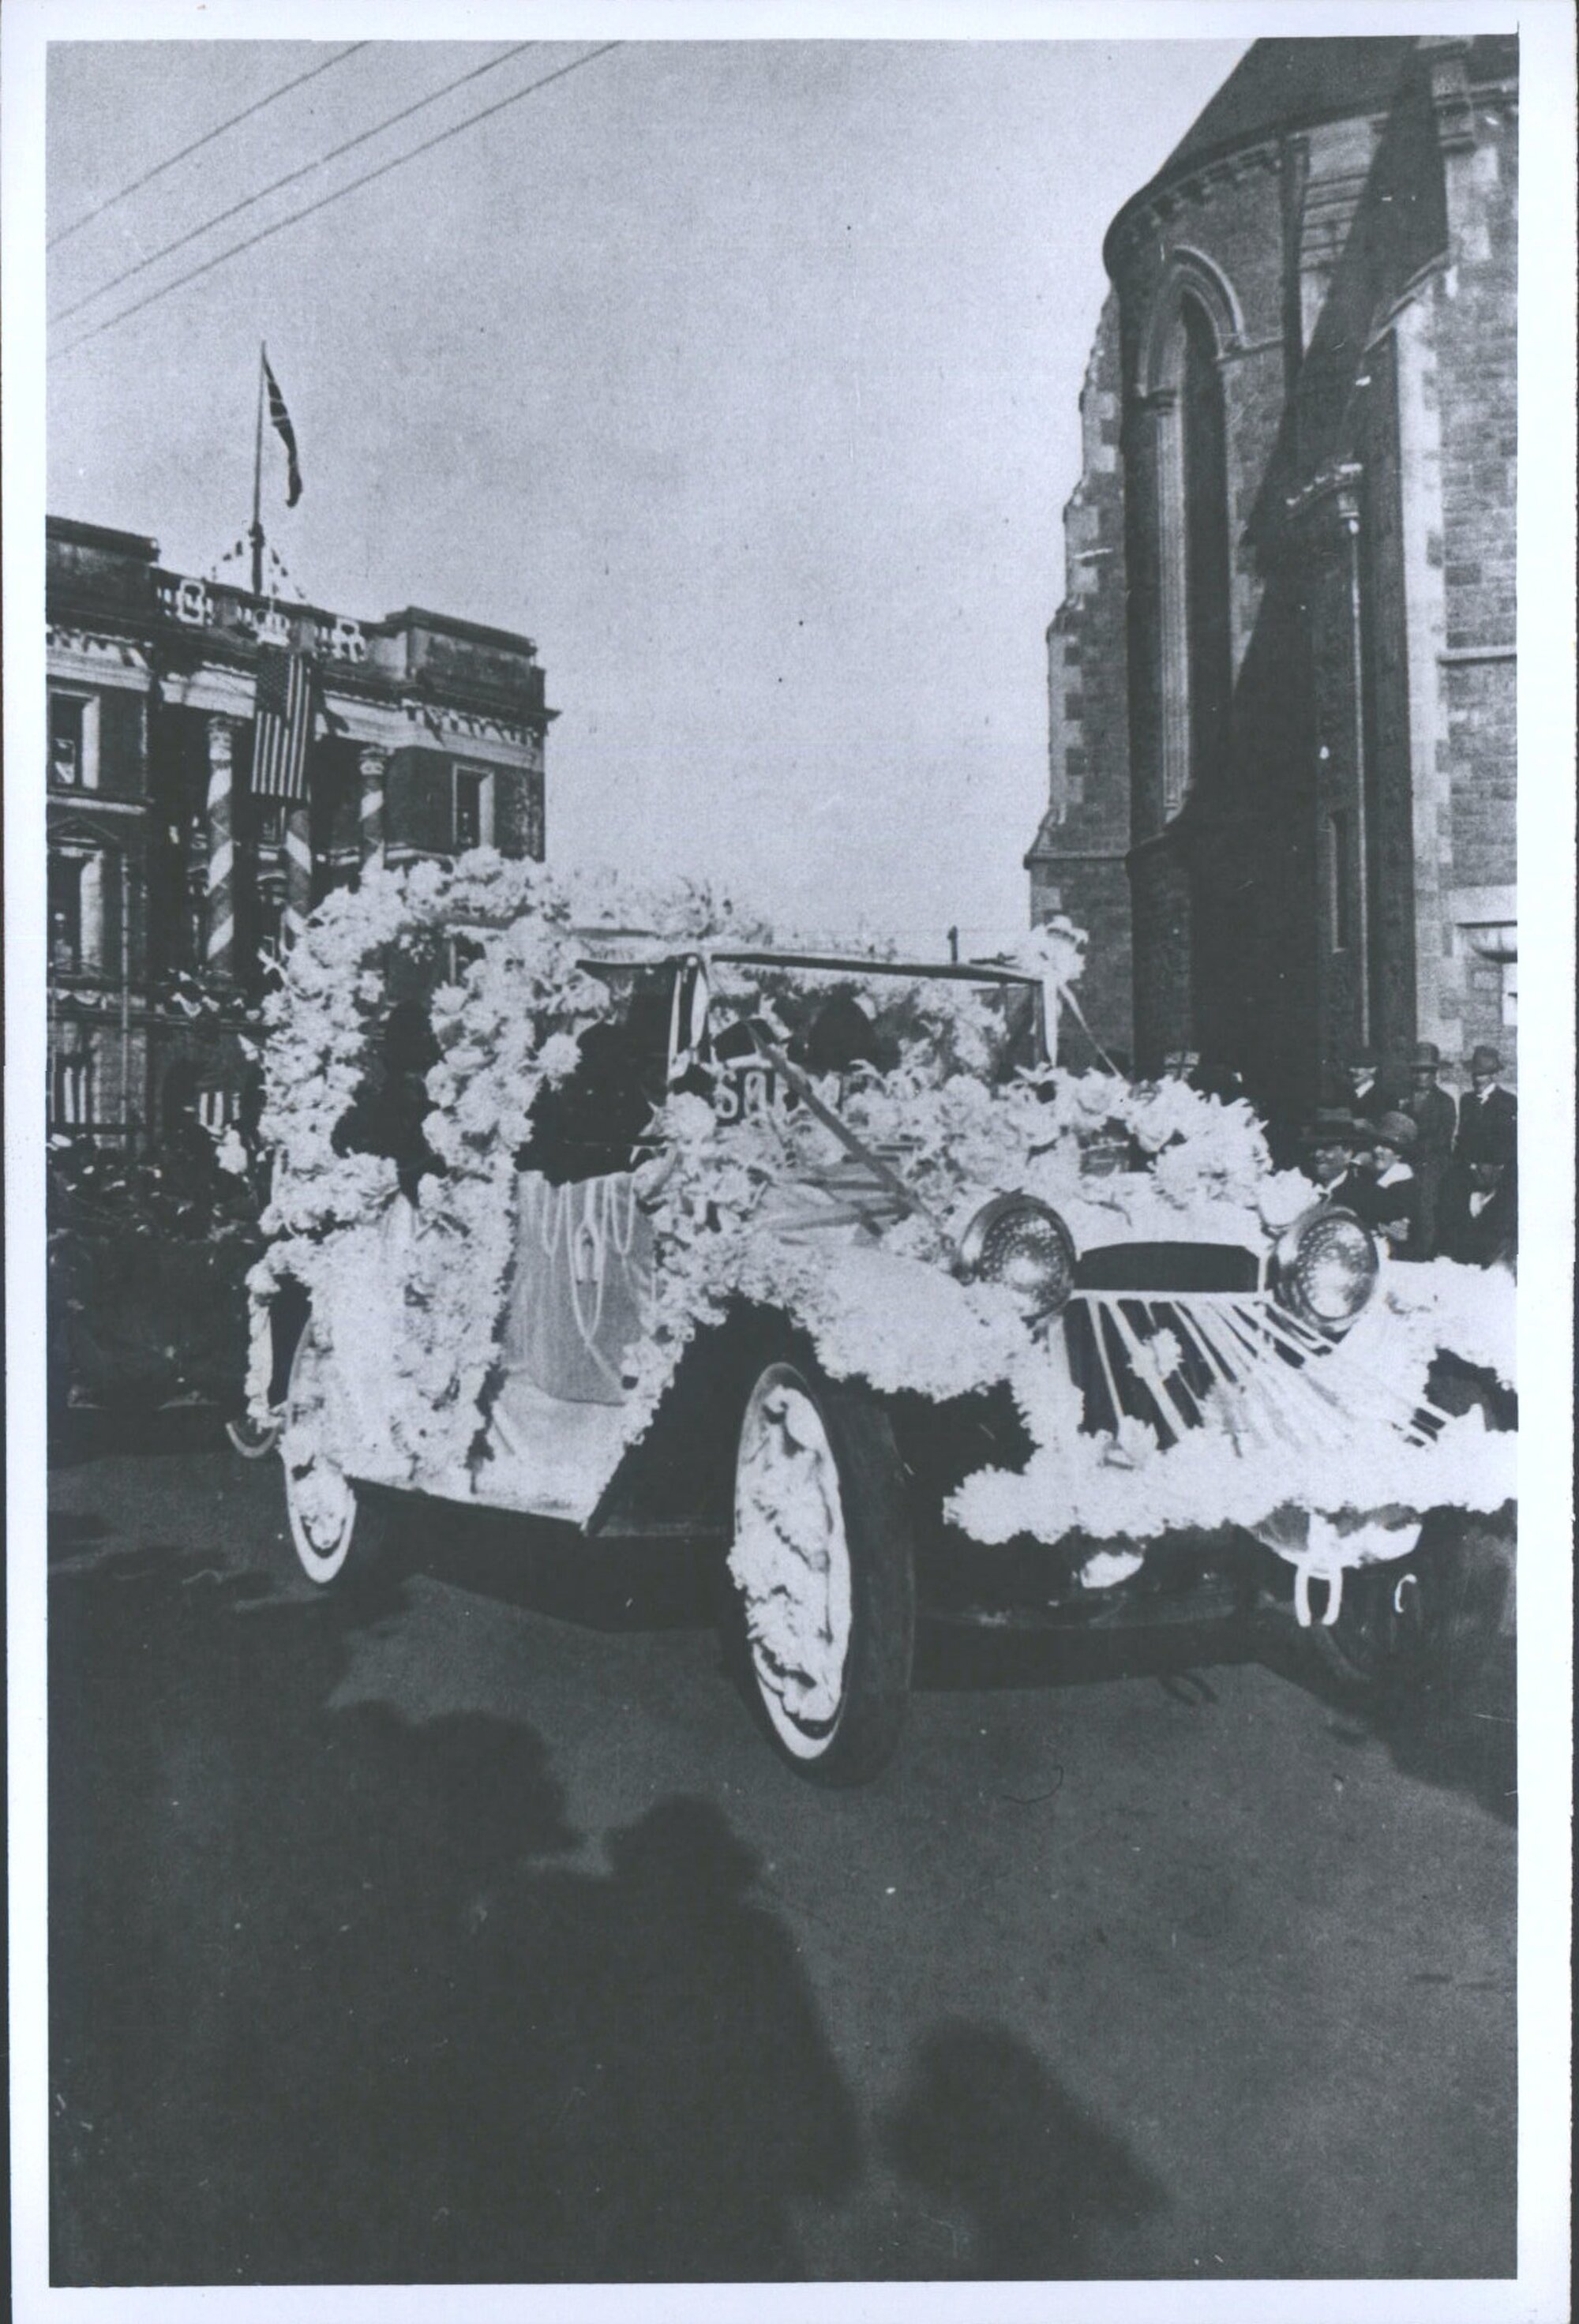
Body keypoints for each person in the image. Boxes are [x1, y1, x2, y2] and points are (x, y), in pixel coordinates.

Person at [1403, 1040, 1457, 1258]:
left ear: (1435, 1074)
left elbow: (1443, 1139)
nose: (1420, 1076)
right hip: (1406, 1160)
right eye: (1416, 1071)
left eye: (1426, 1071)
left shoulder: (1445, 1102)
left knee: (1425, 1204)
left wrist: (1412, 1147)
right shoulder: (1404, 1099)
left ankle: (1426, 1252)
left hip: (1433, 1164)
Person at [1345, 1109, 1420, 1256]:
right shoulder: (1368, 1175)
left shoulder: (1405, 1186)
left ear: (1399, 1154)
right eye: (1376, 1144)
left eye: (1386, 1147)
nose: (1377, 1150)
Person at [1300, 1107, 1366, 1204]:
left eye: (1326, 1148)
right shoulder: (1298, 1187)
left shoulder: (1362, 1198)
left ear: (1347, 1153)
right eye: (1313, 1147)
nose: (1317, 1154)